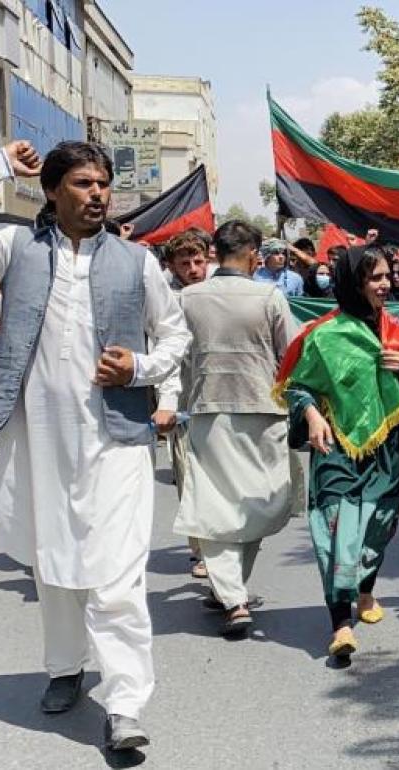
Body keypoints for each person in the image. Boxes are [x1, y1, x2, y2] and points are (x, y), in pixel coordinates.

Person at [0, 140, 190, 751]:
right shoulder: (14, 249)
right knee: (56, 565)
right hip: (39, 438)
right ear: (53, 190)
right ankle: (65, 667)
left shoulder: (137, 261)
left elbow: (175, 336)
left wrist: (140, 369)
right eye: (84, 183)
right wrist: (0, 165)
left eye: (103, 184)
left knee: (117, 576)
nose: (98, 195)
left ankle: (124, 703)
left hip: (115, 441)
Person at [279, 245, 399, 658]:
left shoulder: (396, 329)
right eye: (375, 278)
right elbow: (296, 385)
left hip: (386, 449)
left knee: (377, 526)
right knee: (336, 528)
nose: (384, 284)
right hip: (336, 447)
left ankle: (365, 591)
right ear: (353, 282)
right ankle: (340, 624)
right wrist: (311, 415)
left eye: (386, 277)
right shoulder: (323, 334)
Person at [165, 220, 296, 637]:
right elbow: (292, 354)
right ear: (253, 253)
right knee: (255, 503)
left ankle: (230, 590)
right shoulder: (270, 296)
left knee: (217, 506)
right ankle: (232, 593)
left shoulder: (188, 298)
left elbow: (170, 357)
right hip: (264, 409)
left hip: (207, 411)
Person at [159, 228, 213, 578]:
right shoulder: (167, 302)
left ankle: (222, 544)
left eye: (199, 261)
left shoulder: (215, 295)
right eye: (185, 263)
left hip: (215, 401)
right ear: (172, 267)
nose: (193, 268)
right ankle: (201, 551)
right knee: (189, 478)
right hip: (181, 403)